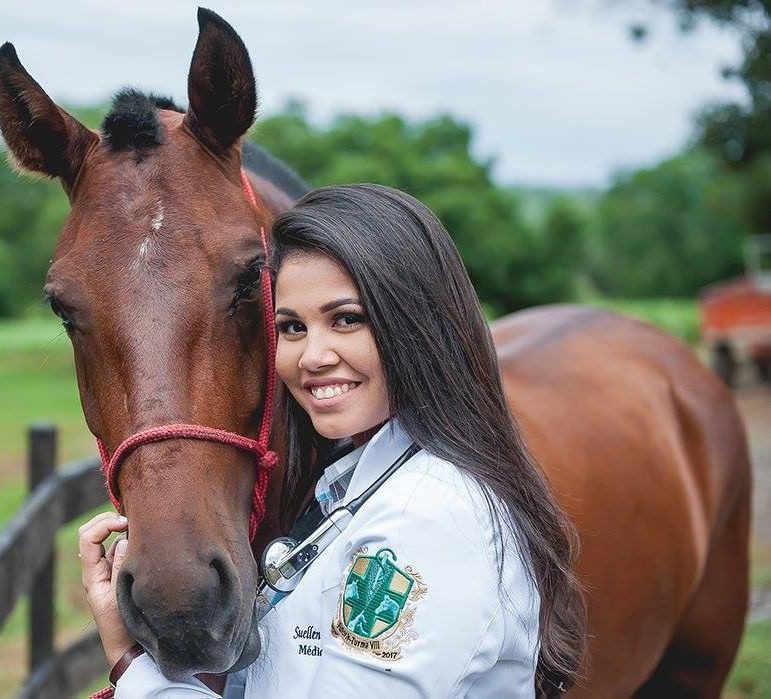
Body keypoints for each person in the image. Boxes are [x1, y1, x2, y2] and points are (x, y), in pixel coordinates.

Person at [78, 184, 585, 697]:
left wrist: (133, 670)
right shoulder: (348, 490)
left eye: (346, 319)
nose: (312, 356)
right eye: (293, 327)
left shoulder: (427, 516)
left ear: (417, 325)